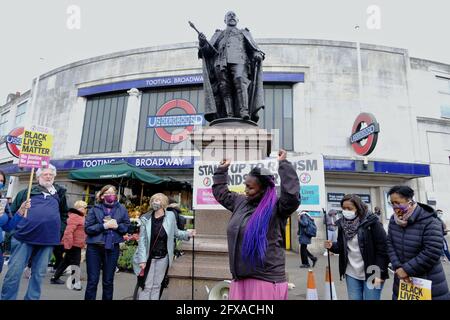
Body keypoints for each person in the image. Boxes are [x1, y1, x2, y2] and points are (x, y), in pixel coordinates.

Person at [212, 149, 300, 300]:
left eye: (250, 187)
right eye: (245, 185)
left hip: (265, 280)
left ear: (265, 189)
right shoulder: (240, 202)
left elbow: (292, 196)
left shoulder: (277, 208)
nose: (245, 190)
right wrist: (222, 169)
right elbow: (222, 193)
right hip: (240, 279)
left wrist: (283, 164)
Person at [1, 165, 69, 300]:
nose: (48, 177)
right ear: (38, 177)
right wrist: (13, 233)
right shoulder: (26, 193)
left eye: (51, 174)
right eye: (45, 174)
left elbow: (64, 214)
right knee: (14, 274)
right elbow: (12, 214)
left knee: (38, 275)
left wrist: (59, 231)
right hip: (23, 239)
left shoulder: (59, 194)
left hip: (48, 240)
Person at [198, 11, 265, 122]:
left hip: (240, 60)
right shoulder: (218, 34)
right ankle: (229, 114)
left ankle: (244, 111)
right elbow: (207, 52)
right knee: (224, 87)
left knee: (240, 80)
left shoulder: (244, 33)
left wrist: (257, 54)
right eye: (229, 15)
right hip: (220, 62)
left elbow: (254, 49)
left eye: (234, 15)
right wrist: (202, 42)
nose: (232, 16)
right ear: (225, 20)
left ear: (237, 20)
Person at [386, 186, 450, 300]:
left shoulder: (430, 221)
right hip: (402, 280)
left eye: (397, 202)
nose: (395, 207)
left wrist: (406, 270)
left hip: (427, 280)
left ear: (409, 201)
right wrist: (398, 267)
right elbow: (390, 244)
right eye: (392, 203)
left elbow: (432, 251)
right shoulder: (393, 220)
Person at [324, 194, 389, 300]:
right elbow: (342, 247)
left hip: (373, 271)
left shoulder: (372, 223)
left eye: (349, 208)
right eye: (344, 208)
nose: (346, 211)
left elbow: (383, 249)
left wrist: (380, 273)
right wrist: (332, 246)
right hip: (351, 272)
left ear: (358, 208)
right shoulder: (342, 224)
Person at [132, 193, 195, 300]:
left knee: (157, 286)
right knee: (147, 286)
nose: (155, 202)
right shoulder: (145, 218)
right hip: (149, 257)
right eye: (154, 200)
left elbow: (176, 233)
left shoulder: (170, 216)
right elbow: (142, 240)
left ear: (164, 203)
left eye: (158, 200)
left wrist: (188, 234)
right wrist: (142, 260)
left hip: (163, 257)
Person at [84, 185, 130, 300]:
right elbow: (88, 228)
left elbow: (127, 227)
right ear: (102, 195)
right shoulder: (95, 208)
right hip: (94, 247)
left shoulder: (122, 209)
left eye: (113, 192)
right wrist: (104, 226)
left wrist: (117, 226)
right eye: (107, 193)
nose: (110, 195)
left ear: (116, 195)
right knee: (92, 281)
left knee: (108, 281)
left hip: (112, 248)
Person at [50, 200, 88, 290]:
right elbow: (68, 231)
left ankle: (54, 278)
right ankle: (75, 283)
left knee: (65, 262)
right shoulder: (75, 217)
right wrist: (68, 245)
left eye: (86, 207)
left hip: (75, 244)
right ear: (79, 208)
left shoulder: (79, 216)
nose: (86, 209)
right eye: (84, 207)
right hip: (73, 245)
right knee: (76, 263)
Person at [0, 170, 24, 275]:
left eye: (1, 181)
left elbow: (8, 227)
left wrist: (20, 212)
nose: (0, 182)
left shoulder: (3, 202)